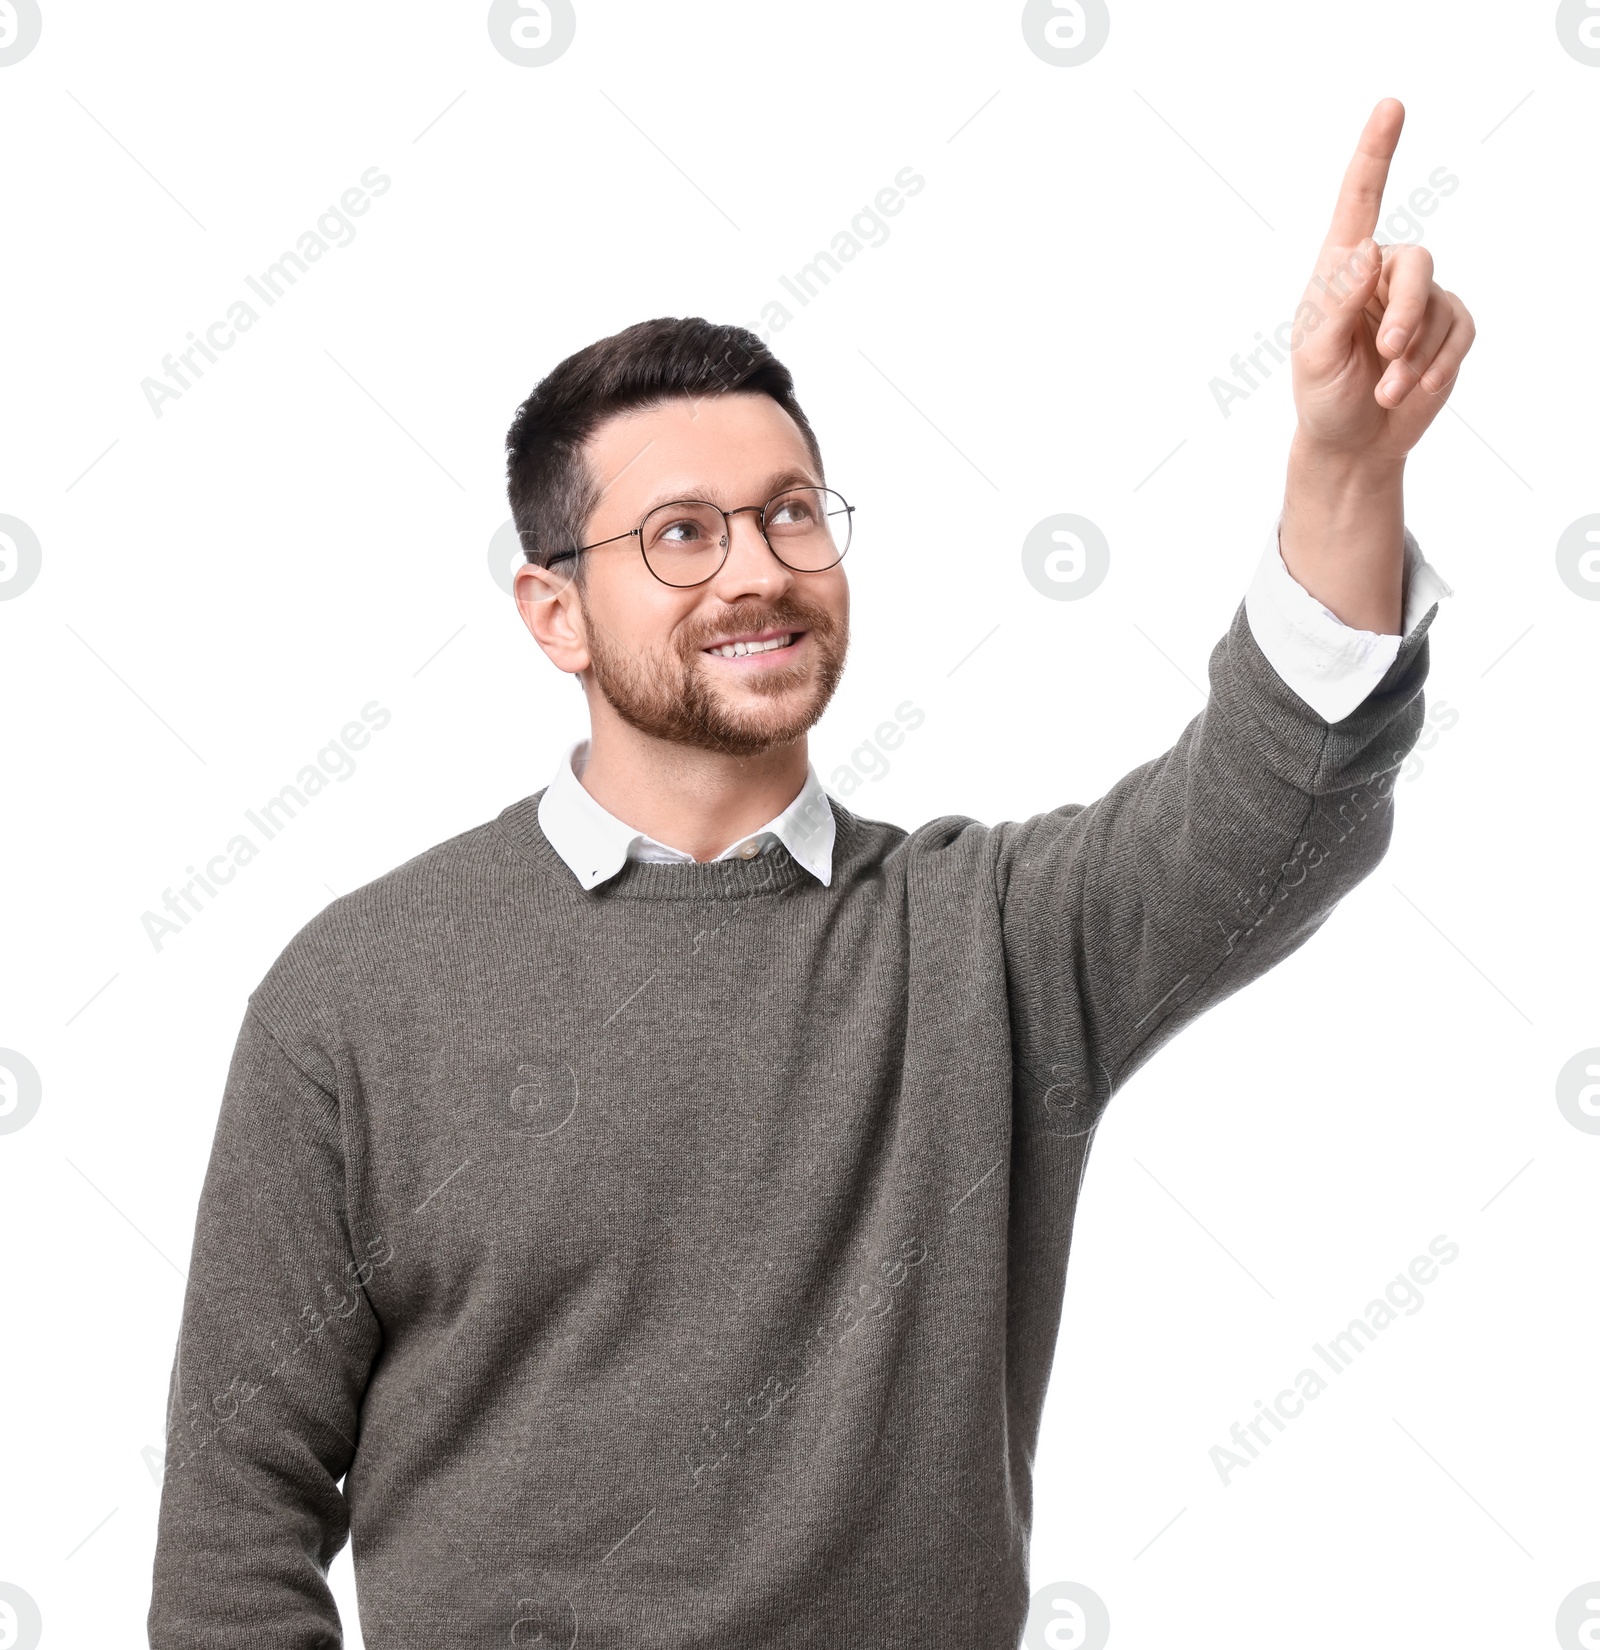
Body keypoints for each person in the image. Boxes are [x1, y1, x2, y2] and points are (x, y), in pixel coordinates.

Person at [149, 99, 1472, 1649]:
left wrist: (1340, 471)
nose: (759, 568)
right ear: (554, 612)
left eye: (790, 513)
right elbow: (234, 1536)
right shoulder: (357, 995)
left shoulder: (986, 943)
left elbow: (1276, 815)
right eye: (684, 534)